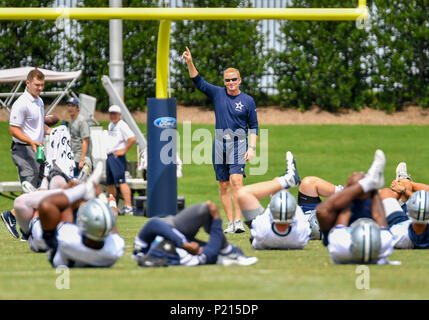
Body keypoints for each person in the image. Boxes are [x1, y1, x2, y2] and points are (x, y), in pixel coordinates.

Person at [182, 46, 258, 234]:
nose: (231, 83)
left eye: (234, 79)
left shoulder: (248, 100)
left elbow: (254, 126)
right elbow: (198, 81)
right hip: (219, 144)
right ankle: (231, 222)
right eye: (228, 80)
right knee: (223, 184)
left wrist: (253, 148)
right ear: (224, 82)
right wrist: (190, 62)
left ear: (239, 80)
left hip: (239, 142)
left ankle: (239, 221)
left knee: (236, 182)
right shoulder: (217, 93)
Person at [37, 162, 125, 268]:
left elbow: (65, 207)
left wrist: (79, 191)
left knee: (47, 207)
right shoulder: (115, 250)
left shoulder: (69, 240)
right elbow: (110, 220)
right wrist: (101, 197)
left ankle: (83, 189)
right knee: (102, 212)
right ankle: (87, 191)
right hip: (89, 251)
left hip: (57, 251)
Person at [315, 149, 395, 264]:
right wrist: (373, 189)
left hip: (339, 231)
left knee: (323, 211)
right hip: (368, 216)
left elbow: (343, 212)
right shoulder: (384, 244)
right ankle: (369, 182)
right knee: (359, 180)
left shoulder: (341, 246)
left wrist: (351, 187)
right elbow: (379, 216)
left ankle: (367, 182)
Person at [132, 201, 258, 267]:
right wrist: (217, 219)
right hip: (187, 243)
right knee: (208, 211)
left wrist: (183, 243)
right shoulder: (184, 259)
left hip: (173, 228)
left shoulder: (140, 252)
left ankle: (227, 252)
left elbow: (154, 224)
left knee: (204, 209)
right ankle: (228, 251)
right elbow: (210, 252)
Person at [236, 151, 310, 249]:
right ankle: (286, 180)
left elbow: (266, 215)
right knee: (280, 191)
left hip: (265, 237)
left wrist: (276, 186)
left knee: (242, 193)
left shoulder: (262, 230)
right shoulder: (301, 236)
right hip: (292, 237)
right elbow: (298, 213)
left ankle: (286, 180)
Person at [9, 68, 51, 192]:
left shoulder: (40, 101)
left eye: (42, 85)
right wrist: (31, 142)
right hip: (23, 148)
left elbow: (39, 125)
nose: (40, 88)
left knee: (41, 184)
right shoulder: (21, 103)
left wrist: (56, 133)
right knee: (29, 185)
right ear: (28, 83)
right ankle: (14, 212)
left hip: (38, 148)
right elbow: (13, 129)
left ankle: (31, 211)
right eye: (37, 85)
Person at [105, 104, 136, 215]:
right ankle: (112, 205)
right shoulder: (111, 125)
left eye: (115, 114)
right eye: (111, 113)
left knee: (121, 181)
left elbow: (132, 138)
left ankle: (128, 206)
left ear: (119, 115)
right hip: (110, 156)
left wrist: (124, 150)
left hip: (117, 157)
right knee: (110, 182)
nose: (113, 116)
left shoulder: (122, 125)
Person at [66, 97, 92, 179]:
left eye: (73, 106)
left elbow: (85, 141)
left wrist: (82, 160)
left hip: (80, 158)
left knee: (78, 182)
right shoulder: (72, 120)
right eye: (68, 105)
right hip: (73, 157)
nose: (70, 108)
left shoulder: (81, 121)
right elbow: (72, 139)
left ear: (78, 108)